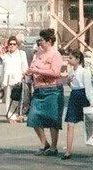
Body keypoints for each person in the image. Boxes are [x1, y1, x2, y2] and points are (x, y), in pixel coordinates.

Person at [26, 28, 64, 156]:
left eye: (41, 40)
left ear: (49, 41)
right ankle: (44, 143)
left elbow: (55, 72)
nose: (39, 42)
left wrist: (37, 71)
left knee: (53, 119)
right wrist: (30, 71)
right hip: (39, 89)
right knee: (33, 117)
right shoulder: (38, 53)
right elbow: (33, 66)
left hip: (53, 90)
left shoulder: (55, 54)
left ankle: (53, 147)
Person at [62, 49, 93, 159]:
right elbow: (71, 85)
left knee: (89, 122)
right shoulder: (71, 72)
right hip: (74, 96)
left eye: (71, 58)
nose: (69, 60)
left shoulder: (85, 71)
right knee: (70, 123)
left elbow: (88, 87)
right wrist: (68, 81)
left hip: (83, 96)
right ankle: (68, 151)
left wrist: (91, 101)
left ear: (78, 60)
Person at [0, 36, 28, 122]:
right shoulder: (5, 56)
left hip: (18, 80)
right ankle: (11, 116)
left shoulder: (21, 54)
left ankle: (17, 115)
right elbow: (3, 70)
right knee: (9, 99)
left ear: (17, 45)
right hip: (7, 80)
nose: (12, 46)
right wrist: (1, 82)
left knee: (17, 99)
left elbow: (25, 66)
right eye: (10, 44)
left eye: (14, 44)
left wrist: (24, 76)